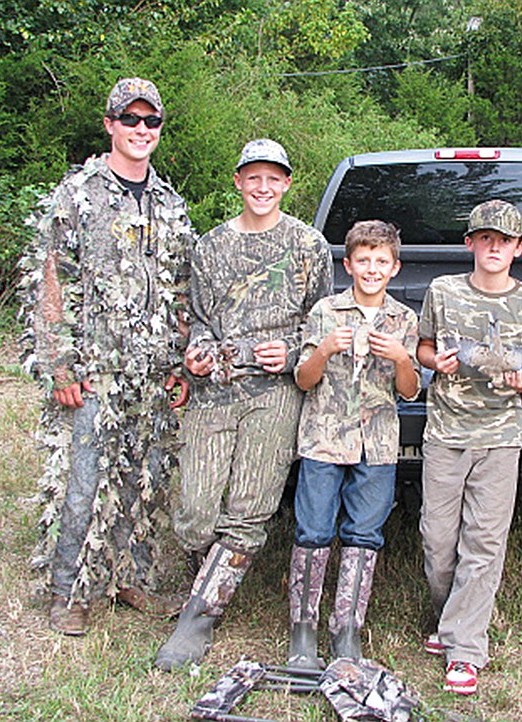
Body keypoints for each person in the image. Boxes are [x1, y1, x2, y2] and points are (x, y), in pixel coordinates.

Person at [19, 77, 195, 636]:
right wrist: (61, 365)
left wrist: (177, 361)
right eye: (131, 120)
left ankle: (130, 577)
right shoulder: (79, 194)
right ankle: (68, 590)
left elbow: (180, 289)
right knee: (83, 479)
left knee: (143, 474)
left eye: (151, 122)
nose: (141, 130)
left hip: (151, 371)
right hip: (95, 369)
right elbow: (50, 280)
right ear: (110, 125)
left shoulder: (169, 203)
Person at [155, 138, 333, 671]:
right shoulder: (210, 247)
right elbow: (197, 320)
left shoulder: (308, 244)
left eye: (273, 178)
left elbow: (322, 317)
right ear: (238, 182)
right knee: (193, 514)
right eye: (252, 177)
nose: (262, 187)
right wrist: (198, 357)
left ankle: (199, 619)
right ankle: (209, 575)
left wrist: (296, 348)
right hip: (216, 392)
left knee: (248, 511)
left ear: (286, 184)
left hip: (274, 394)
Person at [417, 200, 522, 695]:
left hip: (500, 435)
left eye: (505, 240)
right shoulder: (442, 291)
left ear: (519, 249)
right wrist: (438, 364)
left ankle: (465, 648)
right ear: (470, 243)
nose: (494, 247)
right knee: (437, 539)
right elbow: (424, 345)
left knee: (485, 541)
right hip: (446, 433)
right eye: (485, 238)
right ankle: (450, 617)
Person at [287, 220, 420, 669]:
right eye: (363, 260)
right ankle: (302, 631)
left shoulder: (403, 319)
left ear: (395, 267)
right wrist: (323, 350)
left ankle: (346, 629)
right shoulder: (326, 311)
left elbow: (408, 391)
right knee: (313, 531)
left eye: (381, 261)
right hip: (324, 441)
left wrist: (402, 357)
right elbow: (304, 380)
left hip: (377, 445)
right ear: (348, 265)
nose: (371, 269)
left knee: (364, 534)